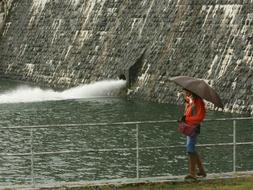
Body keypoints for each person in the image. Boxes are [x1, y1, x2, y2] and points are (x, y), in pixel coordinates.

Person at [180, 89, 207, 181]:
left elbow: (200, 117)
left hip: (194, 128)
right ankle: (202, 171)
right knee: (192, 149)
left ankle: (192, 174)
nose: (185, 93)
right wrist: (187, 102)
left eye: (186, 91)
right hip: (189, 127)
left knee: (190, 149)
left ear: (191, 91)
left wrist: (187, 120)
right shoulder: (191, 100)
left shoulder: (199, 101)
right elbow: (188, 113)